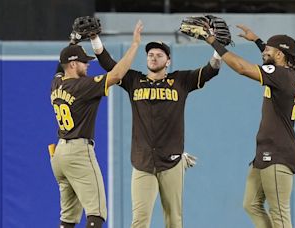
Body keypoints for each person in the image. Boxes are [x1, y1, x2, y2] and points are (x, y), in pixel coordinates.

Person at [89, 34, 222, 227]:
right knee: (140, 221)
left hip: (172, 161)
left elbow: (211, 70)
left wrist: (218, 48)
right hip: (143, 162)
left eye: (159, 55)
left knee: (174, 220)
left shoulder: (181, 80)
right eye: (150, 54)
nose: (153, 57)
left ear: (168, 61)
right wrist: (95, 39)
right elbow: (108, 63)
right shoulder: (133, 80)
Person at [205, 24, 295, 228]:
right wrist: (258, 41)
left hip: (278, 153)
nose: (264, 51)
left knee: (280, 216)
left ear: (279, 53)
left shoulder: (280, 75)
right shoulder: (286, 72)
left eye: (268, 49)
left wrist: (214, 43)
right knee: (251, 204)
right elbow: (273, 62)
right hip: (267, 151)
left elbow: (242, 68)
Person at [49, 21, 143, 228]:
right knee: (97, 213)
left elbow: (60, 66)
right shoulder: (82, 86)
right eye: (83, 61)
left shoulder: (57, 83)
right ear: (73, 65)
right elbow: (117, 75)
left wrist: (73, 40)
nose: (88, 64)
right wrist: (135, 44)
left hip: (60, 156)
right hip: (78, 153)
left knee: (68, 218)